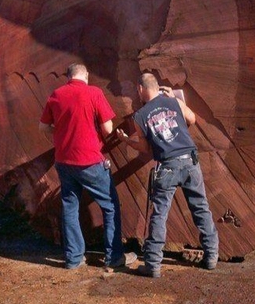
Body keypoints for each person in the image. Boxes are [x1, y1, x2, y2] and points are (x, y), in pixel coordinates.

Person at [117, 72, 219, 278]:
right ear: (157, 86)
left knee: (160, 215)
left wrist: (127, 140)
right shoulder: (174, 102)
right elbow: (192, 118)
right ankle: (211, 257)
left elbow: (145, 149)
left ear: (140, 89)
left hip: (167, 166)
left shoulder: (140, 115)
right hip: (190, 161)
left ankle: (153, 264)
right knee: (201, 208)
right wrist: (174, 99)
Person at [39, 63, 137, 270]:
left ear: (68, 77)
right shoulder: (94, 92)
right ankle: (114, 257)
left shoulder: (56, 94)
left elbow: (43, 127)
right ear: (86, 75)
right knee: (110, 207)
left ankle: (74, 259)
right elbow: (108, 127)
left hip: (64, 161)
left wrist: (61, 137)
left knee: (70, 207)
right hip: (90, 160)